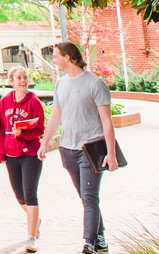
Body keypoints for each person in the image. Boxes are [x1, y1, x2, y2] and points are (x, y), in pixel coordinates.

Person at [38, 41, 119, 254]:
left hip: (91, 149)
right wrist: (45, 142)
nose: (53, 60)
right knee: (85, 196)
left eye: (55, 56)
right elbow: (56, 115)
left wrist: (111, 154)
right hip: (68, 149)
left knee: (90, 196)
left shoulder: (95, 83)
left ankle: (89, 243)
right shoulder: (60, 84)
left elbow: (107, 122)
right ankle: (100, 238)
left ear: (67, 57)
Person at [0, 66, 45, 253]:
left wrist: (24, 132)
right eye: (19, 77)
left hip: (31, 154)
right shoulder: (4, 102)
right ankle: (36, 219)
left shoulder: (34, 102)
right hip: (11, 154)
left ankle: (31, 236)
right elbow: (1, 128)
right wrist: (1, 153)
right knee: (19, 196)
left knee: (30, 193)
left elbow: (40, 128)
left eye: (25, 77)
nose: (23, 80)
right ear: (11, 82)